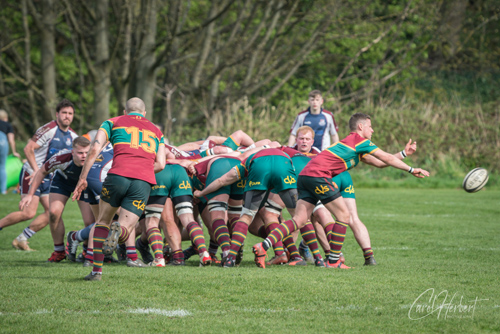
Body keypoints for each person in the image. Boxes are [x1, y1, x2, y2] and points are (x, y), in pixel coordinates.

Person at [253, 112, 430, 269]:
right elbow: (386, 157)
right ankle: (334, 260)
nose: (373, 130)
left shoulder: (352, 144)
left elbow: (381, 162)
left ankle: (264, 246)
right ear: (361, 127)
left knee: (299, 219)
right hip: (318, 176)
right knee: (344, 216)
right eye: (370, 126)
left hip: (306, 176)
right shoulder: (361, 142)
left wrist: (404, 154)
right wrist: (411, 169)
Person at [72, 97, 165, 281]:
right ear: (144, 113)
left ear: (125, 112)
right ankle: (119, 231)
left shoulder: (112, 122)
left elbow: (93, 150)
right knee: (125, 230)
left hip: (117, 177)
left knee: (102, 221)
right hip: (143, 182)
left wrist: (82, 178)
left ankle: (96, 272)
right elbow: (161, 164)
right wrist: (143, 170)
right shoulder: (157, 131)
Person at [194, 148, 298, 268]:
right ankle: (302, 256)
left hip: (258, 165)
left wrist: (201, 193)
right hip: (283, 164)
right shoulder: (285, 156)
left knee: (246, 217)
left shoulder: (247, 162)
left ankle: (230, 258)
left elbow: (221, 181)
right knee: (298, 217)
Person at [0, 99, 78, 250]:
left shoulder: (73, 137)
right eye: (64, 113)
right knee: (28, 213)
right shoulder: (48, 129)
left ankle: (21, 239)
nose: (67, 116)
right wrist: (36, 170)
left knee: (52, 213)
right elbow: (28, 148)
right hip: (31, 173)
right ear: (57, 114)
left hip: (50, 177)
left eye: (70, 113)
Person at [19, 137, 90, 262]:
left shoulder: (95, 159)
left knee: (90, 221)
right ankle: (59, 251)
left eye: (86, 152)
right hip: (62, 182)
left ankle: (86, 251)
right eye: (80, 153)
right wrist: (30, 194)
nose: (84, 156)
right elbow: (41, 171)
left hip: (83, 185)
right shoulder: (61, 158)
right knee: (53, 213)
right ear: (72, 152)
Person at [0, 109, 21, 195]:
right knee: (2, 167)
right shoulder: (8, 125)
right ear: (5, 117)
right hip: (2, 143)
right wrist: (14, 152)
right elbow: (11, 140)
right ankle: (3, 190)